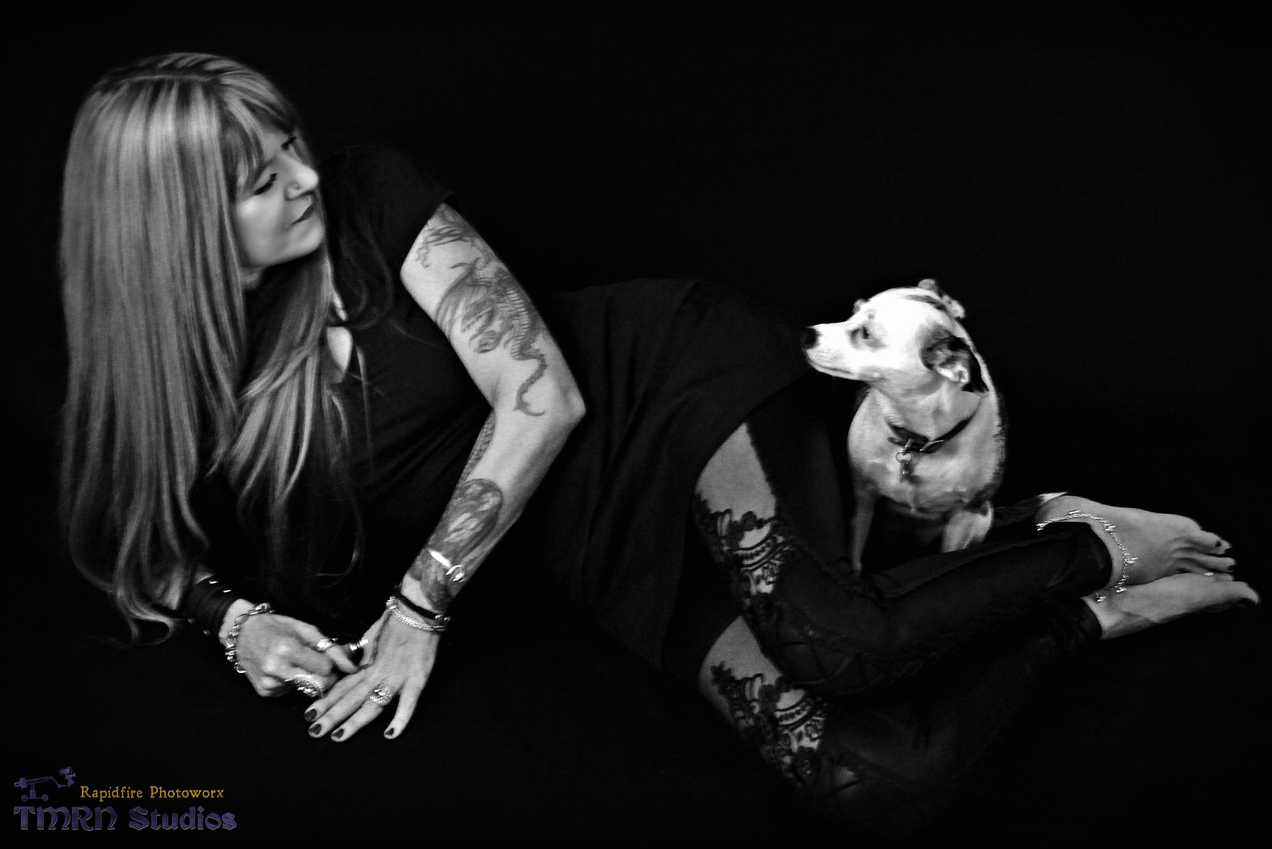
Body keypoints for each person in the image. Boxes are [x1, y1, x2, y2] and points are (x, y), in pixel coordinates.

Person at [59, 52, 1257, 837]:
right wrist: (235, 621)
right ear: (175, 226)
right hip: (600, 555)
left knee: (836, 637)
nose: (303, 174)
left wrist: (418, 608)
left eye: (289, 142)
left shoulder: (371, 195)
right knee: (873, 781)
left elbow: (541, 399)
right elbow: (131, 544)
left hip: (666, 393)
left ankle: (1089, 545)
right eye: (261, 179)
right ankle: (1082, 610)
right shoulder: (177, 388)